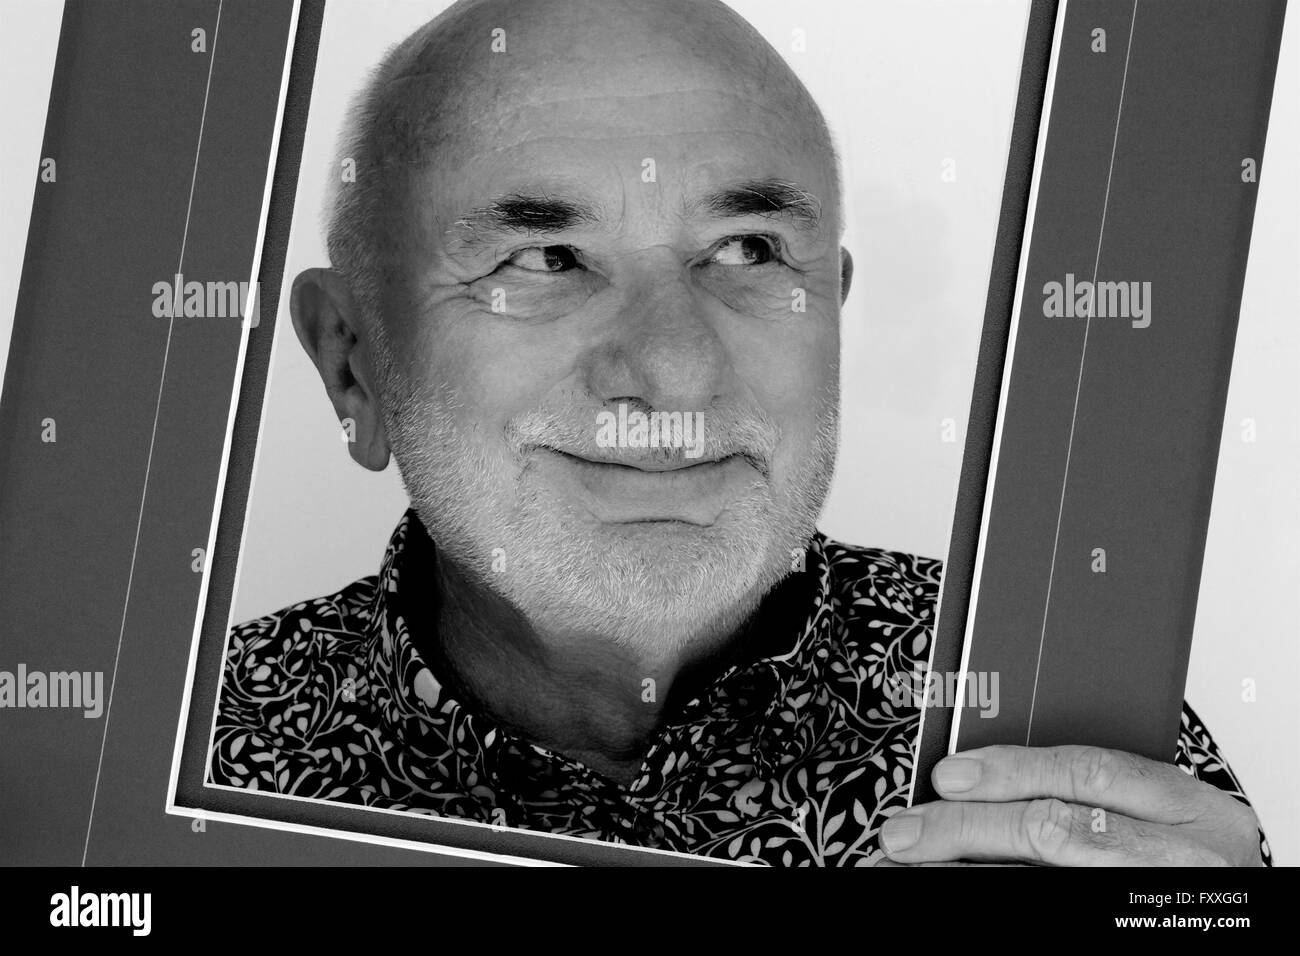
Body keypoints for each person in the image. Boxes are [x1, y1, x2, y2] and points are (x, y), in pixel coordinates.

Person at [210, 0, 1268, 866]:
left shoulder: (1061, 722)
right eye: (543, 259)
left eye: (748, 249)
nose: (675, 366)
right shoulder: (180, 757)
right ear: (353, 360)